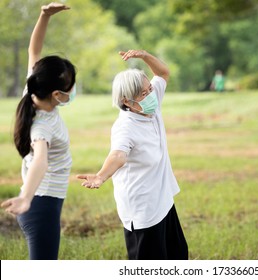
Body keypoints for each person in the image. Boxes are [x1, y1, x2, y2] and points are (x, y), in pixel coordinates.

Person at [76, 50, 188, 260]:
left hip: (163, 200)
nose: (151, 95)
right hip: (143, 208)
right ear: (127, 102)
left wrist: (144, 56)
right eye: (144, 94)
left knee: (178, 255)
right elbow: (118, 155)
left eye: (150, 89)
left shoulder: (151, 104)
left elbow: (163, 73)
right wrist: (101, 176)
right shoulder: (125, 127)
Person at [0, 3, 76, 260]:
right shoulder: (41, 126)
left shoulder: (31, 91)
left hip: (46, 201)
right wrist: (25, 198)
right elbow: (40, 162)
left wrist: (44, 16)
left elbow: (34, 50)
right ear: (57, 94)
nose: (71, 91)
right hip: (40, 203)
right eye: (70, 87)